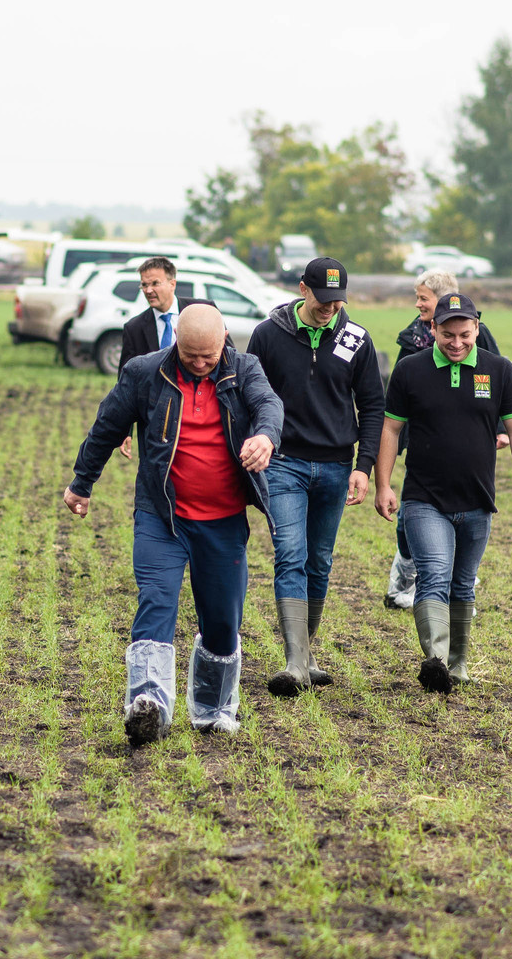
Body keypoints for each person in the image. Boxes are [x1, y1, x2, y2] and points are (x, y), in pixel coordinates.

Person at [64, 304, 283, 745]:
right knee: (157, 600)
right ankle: (148, 704)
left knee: (222, 620)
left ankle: (213, 710)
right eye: (190, 355)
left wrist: (265, 436)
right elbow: (107, 425)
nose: (200, 364)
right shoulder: (145, 372)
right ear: (176, 339)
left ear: (224, 338)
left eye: (209, 356)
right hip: (161, 515)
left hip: (222, 521)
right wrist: (81, 482)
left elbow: (269, 405)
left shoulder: (245, 369)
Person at [373, 293, 512, 693]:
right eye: (448, 334)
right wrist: (383, 483)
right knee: (434, 575)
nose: (457, 343)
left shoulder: (499, 370)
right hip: (423, 498)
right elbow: (390, 429)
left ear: (477, 329)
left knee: (462, 584)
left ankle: (458, 665)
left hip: (477, 500)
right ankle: (436, 661)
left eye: (465, 334)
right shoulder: (410, 370)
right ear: (433, 329)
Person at [244, 257, 385, 695]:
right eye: (323, 299)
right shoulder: (268, 335)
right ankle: (294, 664)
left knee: (319, 562)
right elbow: (250, 396)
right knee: (290, 555)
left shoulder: (356, 338)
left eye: (338, 301)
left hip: (337, 467)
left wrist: (364, 466)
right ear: (302, 289)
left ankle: (306, 655)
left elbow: (373, 406)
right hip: (284, 462)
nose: (330, 308)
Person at [385, 270, 506, 609]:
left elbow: (502, 385)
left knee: (458, 531)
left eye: (423, 297)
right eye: (418, 297)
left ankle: (452, 581)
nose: (417, 303)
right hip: (422, 441)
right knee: (410, 518)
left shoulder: (479, 337)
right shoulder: (412, 337)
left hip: (470, 447)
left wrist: (500, 427)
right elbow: (396, 401)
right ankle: (405, 580)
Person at [117, 257, 208, 372]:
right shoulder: (134, 328)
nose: (148, 291)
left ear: (172, 284)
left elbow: (225, 356)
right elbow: (126, 375)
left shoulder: (203, 311)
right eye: (144, 285)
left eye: (155, 283)